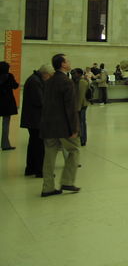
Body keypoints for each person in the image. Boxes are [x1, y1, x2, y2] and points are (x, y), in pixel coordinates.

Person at [40, 53, 81, 196]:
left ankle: (47, 187)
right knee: (74, 150)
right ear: (63, 64)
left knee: (49, 156)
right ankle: (67, 181)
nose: (69, 62)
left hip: (49, 125)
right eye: (67, 60)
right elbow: (70, 107)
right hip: (63, 126)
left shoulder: (49, 81)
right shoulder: (66, 82)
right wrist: (74, 128)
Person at [20, 64, 53, 176]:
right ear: (45, 74)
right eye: (49, 76)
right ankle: (39, 170)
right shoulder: (35, 81)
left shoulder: (34, 79)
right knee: (39, 146)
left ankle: (31, 168)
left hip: (33, 118)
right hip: (35, 119)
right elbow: (40, 101)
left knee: (34, 144)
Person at [0, 61, 20, 151]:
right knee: (5, 125)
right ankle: (5, 144)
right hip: (7, 104)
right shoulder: (9, 76)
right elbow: (15, 86)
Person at [70, 68, 91, 146]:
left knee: (81, 122)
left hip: (81, 105)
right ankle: (80, 138)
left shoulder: (82, 82)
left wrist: (77, 108)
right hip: (78, 105)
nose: (72, 75)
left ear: (79, 74)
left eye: (74, 73)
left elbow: (80, 96)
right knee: (79, 122)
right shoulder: (75, 81)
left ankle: (83, 139)